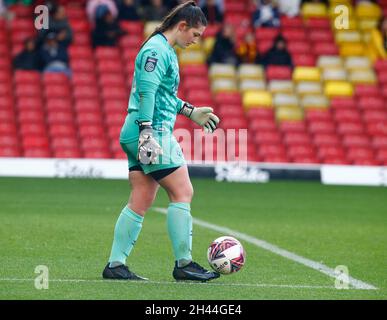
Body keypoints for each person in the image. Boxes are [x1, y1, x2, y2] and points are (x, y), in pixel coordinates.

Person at [102, 1, 221, 282]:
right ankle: (185, 263)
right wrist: (147, 131)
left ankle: (115, 265)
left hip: (139, 131)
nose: (196, 41)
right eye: (195, 34)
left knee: (141, 198)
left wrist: (191, 112)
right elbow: (147, 93)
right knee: (183, 192)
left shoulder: (163, 49)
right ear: (182, 26)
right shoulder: (157, 50)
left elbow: (163, 95)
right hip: (150, 131)